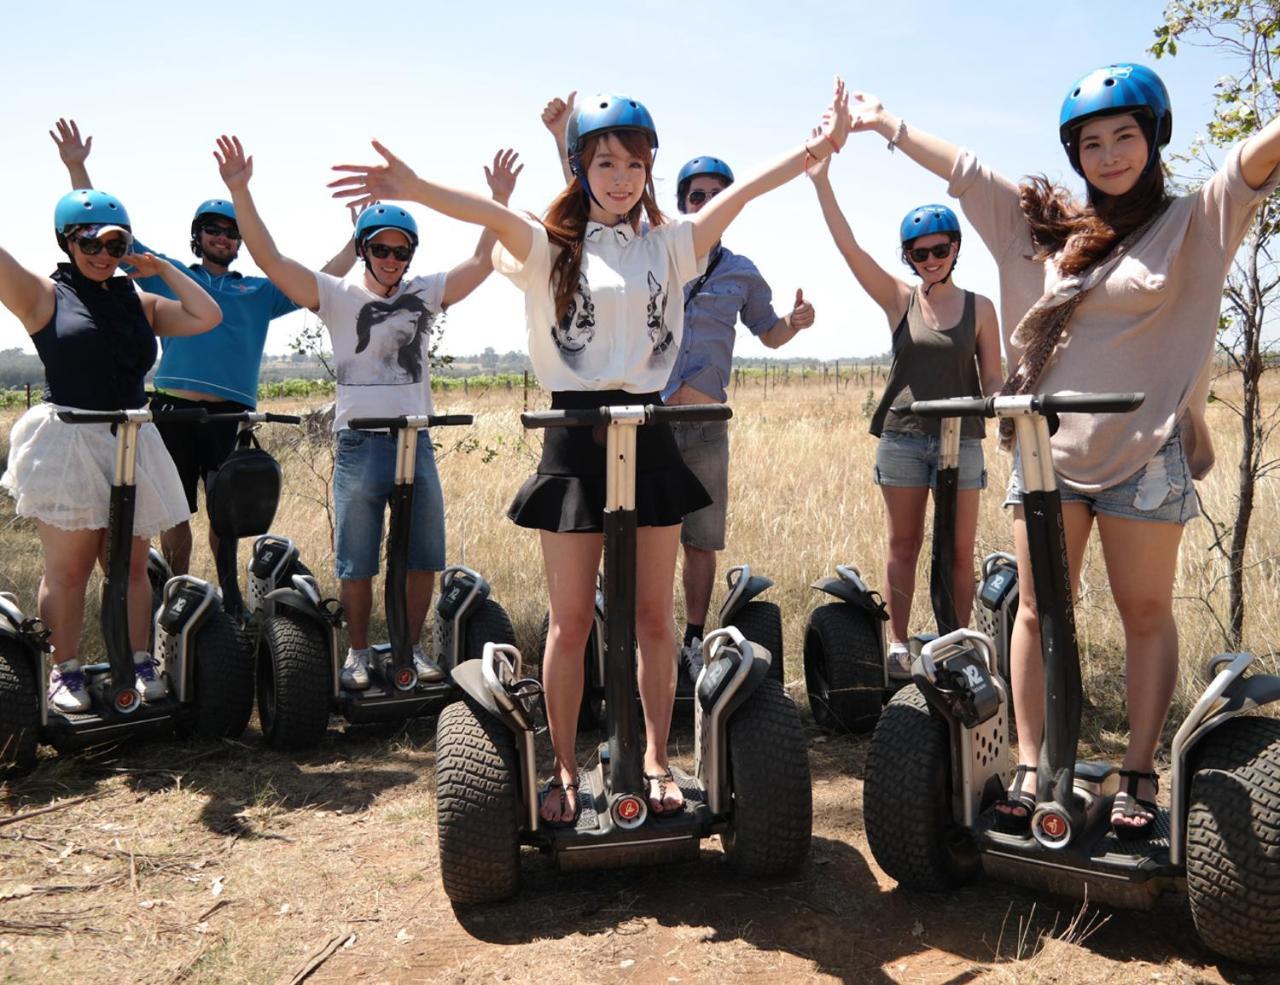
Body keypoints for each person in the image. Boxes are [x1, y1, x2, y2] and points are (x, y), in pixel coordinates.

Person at [326, 80, 852, 825]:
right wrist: (414, 188)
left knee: (654, 620)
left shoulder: (671, 245)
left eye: (635, 165)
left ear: (649, 172)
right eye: (604, 163)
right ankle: (568, 768)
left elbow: (746, 196)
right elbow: (489, 213)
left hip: (649, 429)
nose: (621, 178)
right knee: (570, 622)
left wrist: (814, 149)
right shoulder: (550, 246)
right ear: (580, 168)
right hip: (574, 437)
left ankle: (657, 761)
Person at [849, 63, 1280, 836]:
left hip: (1143, 454)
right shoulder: (1043, 233)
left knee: (1144, 612)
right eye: (1091, 142)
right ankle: (1029, 763)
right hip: (1047, 456)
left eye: (1124, 136)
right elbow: (969, 173)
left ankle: (1138, 775)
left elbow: (1248, 166)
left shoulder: (1192, 222)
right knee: (1039, 611)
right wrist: (887, 125)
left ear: (1153, 138)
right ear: (1074, 153)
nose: (1109, 154)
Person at [212, 135, 522, 688]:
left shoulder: (426, 292)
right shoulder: (335, 295)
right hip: (359, 442)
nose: (392, 260)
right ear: (362, 250)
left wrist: (497, 199)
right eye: (381, 249)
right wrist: (240, 190)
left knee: (424, 556)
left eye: (402, 251)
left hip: (415, 439)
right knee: (358, 559)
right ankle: (357, 652)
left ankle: (409, 648)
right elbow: (271, 259)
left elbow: (483, 260)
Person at [539, 92, 818, 682]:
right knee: (615, 542)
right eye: (697, 196)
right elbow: (582, 226)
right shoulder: (652, 246)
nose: (706, 205)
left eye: (716, 197)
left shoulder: (736, 270)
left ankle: (692, 640)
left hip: (704, 422)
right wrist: (566, 135)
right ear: (681, 200)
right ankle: (610, 644)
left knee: (701, 539)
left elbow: (767, 332)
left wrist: (792, 326)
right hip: (646, 417)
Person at [50, 118, 356, 575]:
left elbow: (323, 280)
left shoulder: (260, 291)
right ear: (199, 235)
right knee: (174, 511)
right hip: (174, 410)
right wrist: (77, 168)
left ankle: (228, 593)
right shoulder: (168, 272)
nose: (222, 237)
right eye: (213, 229)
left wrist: (358, 240)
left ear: (240, 243)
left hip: (230, 415)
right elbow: (108, 233)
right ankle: (178, 586)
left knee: (228, 510)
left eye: (231, 232)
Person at [0, 190, 220, 711]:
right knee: (70, 570)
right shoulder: (42, 295)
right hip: (71, 438)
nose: (103, 253)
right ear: (66, 241)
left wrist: (161, 268)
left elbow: (206, 315)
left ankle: (139, 661)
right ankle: (65, 670)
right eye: (89, 241)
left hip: (131, 438)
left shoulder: (137, 300)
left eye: (115, 243)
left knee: (130, 565)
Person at [806, 149, 1001, 677]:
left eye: (940, 250)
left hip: (962, 440)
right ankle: (897, 643)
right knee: (905, 543)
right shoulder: (900, 300)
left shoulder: (981, 308)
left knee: (959, 550)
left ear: (955, 249)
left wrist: (1012, 414)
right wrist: (822, 183)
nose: (931, 260)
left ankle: (959, 642)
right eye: (920, 253)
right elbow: (851, 251)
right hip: (905, 437)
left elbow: (995, 377)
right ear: (908, 257)